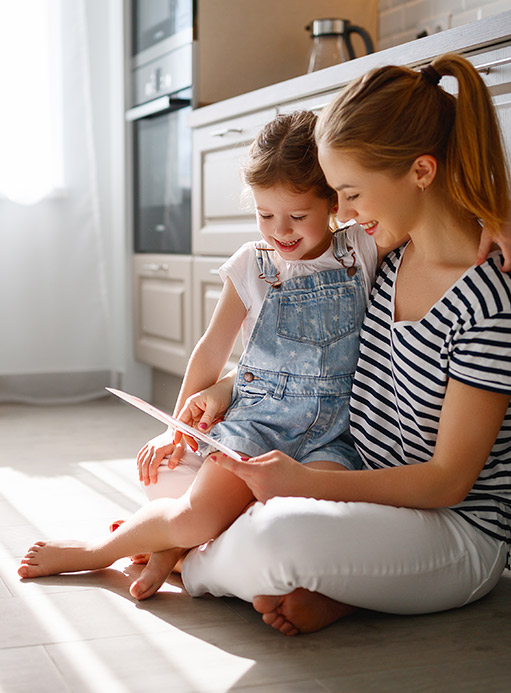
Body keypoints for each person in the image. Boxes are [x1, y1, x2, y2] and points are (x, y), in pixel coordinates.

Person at [135, 53, 511, 636]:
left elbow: (447, 483)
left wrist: (302, 484)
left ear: (421, 173)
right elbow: (318, 357)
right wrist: (229, 388)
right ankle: (320, 583)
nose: (343, 215)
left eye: (350, 194)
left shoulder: (493, 303)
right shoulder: (386, 259)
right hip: (361, 483)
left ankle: (184, 556)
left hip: (450, 525)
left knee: (273, 532)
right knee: (173, 478)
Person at [17, 111, 379, 594]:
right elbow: (212, 349)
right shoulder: (253, 264)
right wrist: (175, 431)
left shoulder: (361, 247)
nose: (280, 231)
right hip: (258, 425)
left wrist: (498, 224)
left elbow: (435, 216)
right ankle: (101, 551)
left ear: (334, 201)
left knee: (308, 522)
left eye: (297, 216)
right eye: (265, 214)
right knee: (194, 517)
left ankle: (173, 554)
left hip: (334, 436)